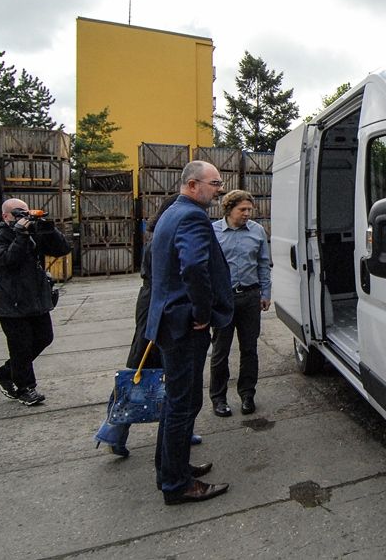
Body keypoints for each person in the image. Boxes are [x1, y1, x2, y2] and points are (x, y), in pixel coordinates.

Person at [145, 161, 234, 505]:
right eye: (214, 184)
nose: (219, 190)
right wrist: (201, 313)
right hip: (184, 324)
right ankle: (177, 484)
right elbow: (195, 266)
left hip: (169, 321)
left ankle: (170, 468)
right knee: (185, 404)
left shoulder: (173, 212)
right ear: (193, 185)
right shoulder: (192, 216)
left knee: (176, 402)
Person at [93, 194, 202, 457]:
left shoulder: (159, 238)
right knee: (140, 370)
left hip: (156, 305)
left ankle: (175, 432)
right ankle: (114, 430)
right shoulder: (163, 241)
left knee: (156, 371)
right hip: (158, 308)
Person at [0, 198, 72, 406]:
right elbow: (9, 261)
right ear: (6, 216)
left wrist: (47, 228)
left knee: (44, 337)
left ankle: (5, 373)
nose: (23, 218)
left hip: (35, 299)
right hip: (10, 303)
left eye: (26, 213)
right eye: (18, 214)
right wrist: (20, 236)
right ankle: (26, 388)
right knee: (21, 346)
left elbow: (62, 249)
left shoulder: (33, 233)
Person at [210, 190, 271, 417]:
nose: (247, 214)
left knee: (249, 349)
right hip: (223, 300)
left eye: (249, 209)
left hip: (249, 298)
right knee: (220, 351)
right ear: (229, 209)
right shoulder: (213, 232)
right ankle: (219, 398)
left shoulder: (257, 231)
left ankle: (247, 394)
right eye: (242, 210)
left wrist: (265, 293)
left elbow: (264, 264)